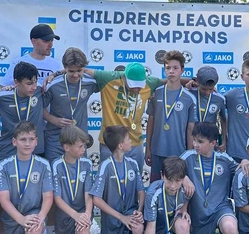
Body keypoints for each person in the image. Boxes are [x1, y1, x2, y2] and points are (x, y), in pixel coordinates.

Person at [84, 63, 162, 171]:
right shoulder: (108, 78)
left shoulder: (150, 83)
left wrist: (187, 82)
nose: (137, 89)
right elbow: (84, 71)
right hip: (110, 144)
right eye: (133, 85)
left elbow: (172, 81)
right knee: (110, 178)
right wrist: (63, 71)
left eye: (140, 85)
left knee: (135, 179)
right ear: (125, 78)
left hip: (135, 144)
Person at [180, 122, 249, 234]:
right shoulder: (187, 156)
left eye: (200, 141)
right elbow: (171, 171)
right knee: (182, 226)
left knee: (230, 227)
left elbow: (241, 170)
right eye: (194, 140)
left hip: (220, 209)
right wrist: (183, 177)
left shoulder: (224, 159)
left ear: (213, 143)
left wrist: (245, 161)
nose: (195, 144)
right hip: (196, 212)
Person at [145, 50, 197, 182]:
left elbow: (190, 129)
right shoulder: (155, 93)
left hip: (179, 153)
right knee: (155, 187)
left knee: (176, 188)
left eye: (175, 68)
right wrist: (148, 149)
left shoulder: (189, 98)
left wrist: (189, 154)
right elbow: (150, 122)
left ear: (182, 70)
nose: (171, 71)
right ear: (164, 70)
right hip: (157, 151)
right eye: (168, 68)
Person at [0, 121, 53, 234]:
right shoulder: (4, 165)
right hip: (12, 218)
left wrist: (40, 218)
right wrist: (22, 219)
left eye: (31, 139)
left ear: (36, 141)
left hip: (35, 214)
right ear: (14, 142)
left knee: (34, 230)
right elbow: (4, 199)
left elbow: (48, 196)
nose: (27, 143)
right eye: (23, 139)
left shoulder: (44, 164)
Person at [43, 47, 99, 162]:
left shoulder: (91, 83)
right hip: (55, 140)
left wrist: (58, 72)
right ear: (65, 68)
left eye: (79, 70)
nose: (75, 75)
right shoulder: (53, 85)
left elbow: (114, 77)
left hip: (79, 140)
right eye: (71, 71)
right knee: (55, 172)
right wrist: (53, 120)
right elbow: (38, 108)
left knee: (79, 172)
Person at [90, 125, 145, 234]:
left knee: (138, 226)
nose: (131, 141)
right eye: (128, 139)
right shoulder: (105, 166)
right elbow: (96, 199)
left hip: (130, 213)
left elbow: (141, 192)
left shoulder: (133, 163)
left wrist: (139, 211)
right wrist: (121, 217)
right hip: (112, 220)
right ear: (120, 146)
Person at [0, 61, 44, 160]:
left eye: (35, 82)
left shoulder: (39, 90)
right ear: (16, 82)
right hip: (8, 151)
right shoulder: (2, 98)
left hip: (35, 151)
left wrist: (55, 74)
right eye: (29, 83)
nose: (34, 87)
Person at [52, 125, 95, 234]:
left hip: (83, 212)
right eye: (80, 146)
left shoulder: (87, 163)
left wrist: (87, 215)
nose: (84, 149)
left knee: (83, 231)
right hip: (65, 214)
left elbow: (88, 193)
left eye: (84, 145)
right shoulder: (56, 165)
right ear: (67, 148)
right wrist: (75, 215)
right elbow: (57, 198)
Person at [144, 156, 191, 234]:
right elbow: (151, 227)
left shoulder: (187, 189)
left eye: (177, 181)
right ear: (162, 176)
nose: (173, 186)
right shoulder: (153, 193)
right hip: (156, 225)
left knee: (183, 225)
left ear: (184, 179)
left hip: (173, 223)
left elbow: (189, 197)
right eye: (169, 180)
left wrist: (184, 208)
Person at [190, 66, 227, 151]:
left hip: (209, 141)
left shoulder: (219, 99)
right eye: (203, 89)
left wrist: (224, 140)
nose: (207, 92)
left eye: (210, 89)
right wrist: (188, 82)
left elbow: (223, 120)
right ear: (197, 82)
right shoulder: (189, 93)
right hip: (191, 138)